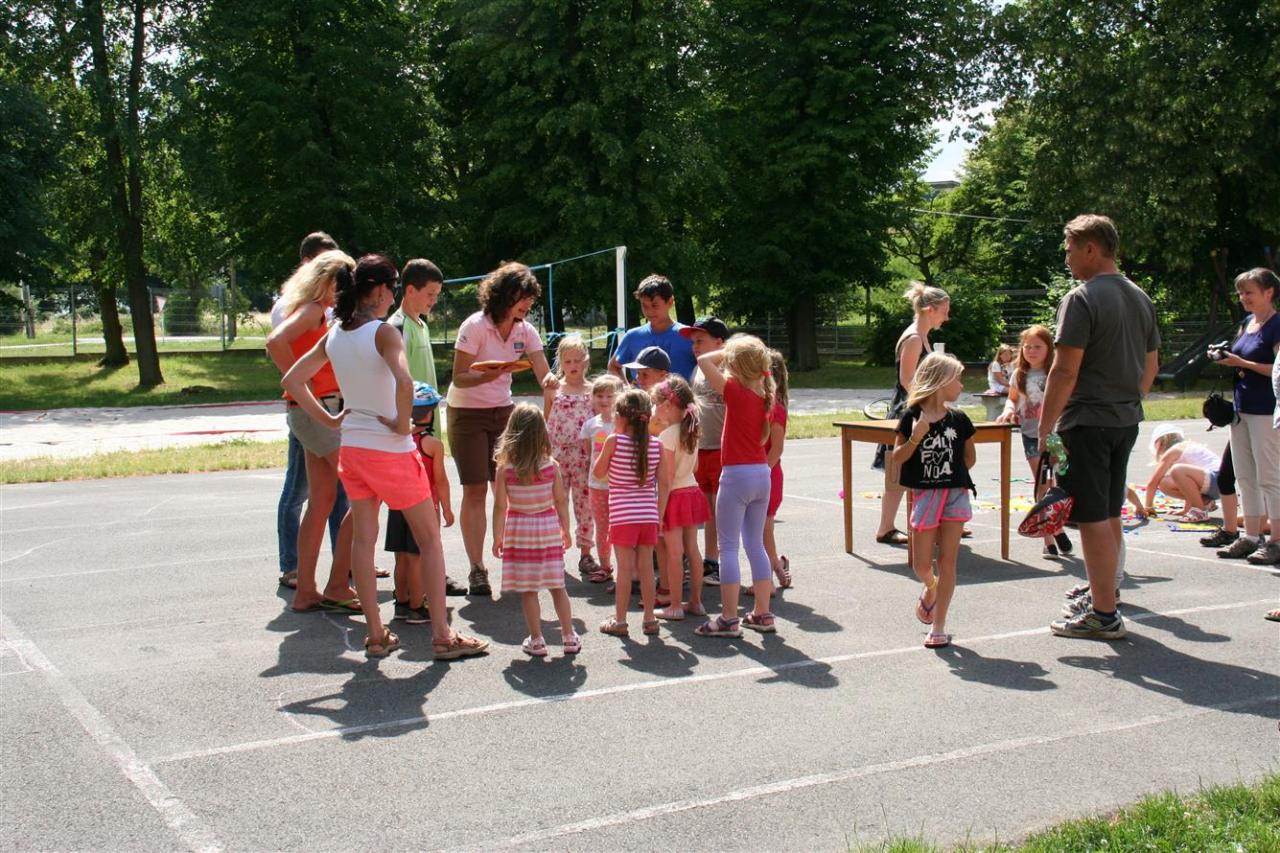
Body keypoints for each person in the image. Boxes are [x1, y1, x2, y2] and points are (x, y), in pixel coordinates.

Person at [281, 254, 489, 660]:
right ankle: (442, 636)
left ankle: (376, 635)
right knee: (429, 540)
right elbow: (405, 381)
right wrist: (399, 423)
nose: (393, 296)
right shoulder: (383, 333)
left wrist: (328, 417)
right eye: (392, 288)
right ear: (378, 290)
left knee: (363, 540)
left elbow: (292, 379)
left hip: (354, 448)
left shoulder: (336, 333)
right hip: (390, 450)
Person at [1039, 214, 1160, 641]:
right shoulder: (1140, 296)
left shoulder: (1081, 298)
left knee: (1091, 518)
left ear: (1091, 248)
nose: (1067, 258)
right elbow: (1151, 367)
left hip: (1087, 422)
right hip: (1124, 420)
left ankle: (1103, 614)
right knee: (1108, 512)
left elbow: (1064, 370)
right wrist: (1125, 399)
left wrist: (1045, 427)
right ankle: (1106, 594)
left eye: (1070, 249)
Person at [446, 262, 558, 597]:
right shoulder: (475, 326)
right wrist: (488, 375)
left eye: (530, 299)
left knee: (508, 487)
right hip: (466, 413)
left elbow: (542, 370)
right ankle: (477, 568)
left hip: (503, 413)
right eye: (522, 297)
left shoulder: (526, 330)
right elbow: (458, 377)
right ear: (504, 294)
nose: (527, 304)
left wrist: (550, 381)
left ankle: (515, 559)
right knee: (475, 490)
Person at [266, 249, 359, 613]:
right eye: (344, 282)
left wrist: (302, 391)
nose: (346, 290)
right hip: (319, 409)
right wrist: (301, 386)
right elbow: (275, 342)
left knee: (322, 500)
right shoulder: (313, 310)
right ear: (327, 280)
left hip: (313, 410)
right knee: (361, 493)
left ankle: (307, 590)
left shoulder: (313, 309)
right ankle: (337, 585)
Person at [692, 335, 777, 638]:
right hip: (761, 475)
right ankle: (763, 613)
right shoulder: (765, 394)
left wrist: (725, 350)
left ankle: (729, 618)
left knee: (728, 547)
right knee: (754, 544)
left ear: (735, 365)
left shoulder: (735, 391)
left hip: (736, 476)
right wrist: (741, 353)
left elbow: (703, 361)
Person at [892, 353, 975, 649]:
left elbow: (969, 458)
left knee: (948, 561)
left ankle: (938, 627)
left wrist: (950, 476)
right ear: (941, 381)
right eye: (958, 379)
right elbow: (897, 458)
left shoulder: (959, 419)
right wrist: (916, 436)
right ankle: (931, 587)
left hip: (954, 494)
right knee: (921, 565)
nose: (962, 385)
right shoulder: (911, 416)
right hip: (925, 496)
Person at [492, 404, 579, 657]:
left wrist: (497, 536)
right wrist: (566, 529)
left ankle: (537, 639)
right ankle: (568, 636)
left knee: (528, 589)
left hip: (520, 531)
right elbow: (561, 501)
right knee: (557, 585)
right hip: (547, 528)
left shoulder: (506, 469)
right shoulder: (551, 466)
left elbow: (500, 506)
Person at [874, 282, 952, 546]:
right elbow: (907, 380)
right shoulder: (914, 338)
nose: (946, 317)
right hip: (908, 411)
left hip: (919, 409)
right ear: (930, 310)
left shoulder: (922, 336)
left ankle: (933, 522)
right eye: (944, 311)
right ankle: (886, 528)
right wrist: (928, 406)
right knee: (898, 470)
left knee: (926, 467)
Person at [1213, 268, 1280, 565]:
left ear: (1269, 292)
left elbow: (1277, 369)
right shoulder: (1246, 323)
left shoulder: (1277, 325)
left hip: (1266, 409)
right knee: (1245, 475)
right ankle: (1252, 536)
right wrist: (1224, 357)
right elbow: (1240, 356)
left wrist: (1242, 362)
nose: (1243, 298)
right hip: (1241, 410)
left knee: (1270, 476)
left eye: (1249, 292)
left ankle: (1276, 540)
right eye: (1240, 292)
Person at [594, 388, 669, 637]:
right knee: (647, 569)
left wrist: (605, 449)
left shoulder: (614, 441)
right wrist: (659, 515)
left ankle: (620, 620)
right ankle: (649, 619)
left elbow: (598, 473)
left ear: (621, 417)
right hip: (648, 515)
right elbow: (664, 483)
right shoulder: (656, 445)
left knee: (625, 569)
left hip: (622, 515)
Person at [996, 325, 1074, 559]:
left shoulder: (1055, 373)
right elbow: (1012, 399)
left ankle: (1056, 526)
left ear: (1049, 348)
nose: (1031, 351)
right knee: (1042, 484)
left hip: (1056, 435)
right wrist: (1008, 410)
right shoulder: (1019, 374)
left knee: (1057, 482)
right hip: (1031, 436)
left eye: (1037, 347)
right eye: (1027, 346)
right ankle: (1049, 538)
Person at [386, 383, 456, 623]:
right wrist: (447, 508)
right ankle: (417, 605)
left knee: (401, 556)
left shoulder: (397, 440)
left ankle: (402, 602)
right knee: (417, 556)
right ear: (430, 413)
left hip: (397, 504)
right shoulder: (433, 444)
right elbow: (440, 480)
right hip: (422, 505)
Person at [651, 376, 708, 621]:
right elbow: (694, 467)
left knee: (675, 553)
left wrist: (659, 512)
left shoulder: (667, 436)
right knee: (693, 550)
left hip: (674, 496)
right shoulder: (692, 429)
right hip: (692, 492)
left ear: (667, 405)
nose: (654, 409)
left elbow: (666, 479)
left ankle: (675, 605)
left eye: (656, 404)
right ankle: (696, 601)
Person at [543, 334, 598, 576]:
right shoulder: (553, 389)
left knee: (585, 505)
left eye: (577, 360)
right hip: (558, 457)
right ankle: (556, 551)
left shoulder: (593, 391)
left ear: (586, 360)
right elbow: (546, 420)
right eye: (567, 361)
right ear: (560, 362)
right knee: (557, 503)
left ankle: (586, 552)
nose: (573, 365)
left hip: (584, 458)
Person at [681, 317, 730, 584]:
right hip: (701, 449)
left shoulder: (730, 369)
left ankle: (721, 560)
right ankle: (710, 560)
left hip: (723, 449)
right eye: (693, 342)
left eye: (700, 341)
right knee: (707, 509)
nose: (695, 347)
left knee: (722, 510)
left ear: (719, 343)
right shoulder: (697, 371)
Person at [609, 274, 697, 381]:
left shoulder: (688, 335)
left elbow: (705, 366)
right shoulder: (632, 337)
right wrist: (626, 389)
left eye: (655, 305)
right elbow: (613, 366)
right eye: (644, 306)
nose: (649, 311)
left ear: (670, 302)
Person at [579, 374, 622, 583]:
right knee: (602, 528)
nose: (604, 400)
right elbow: (589, 454)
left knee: (621, 527)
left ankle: (627, 568)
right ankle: (605, 566)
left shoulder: (622, 425)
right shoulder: (589, 425)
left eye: (609, 396)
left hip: (620, 486)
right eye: (599, 395)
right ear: (592, 397)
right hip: (597, 486)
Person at [1141, 425, 1222, 522]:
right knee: (1167, 482)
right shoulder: (1187, 447)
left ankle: (1199, 511)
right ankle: (1204, 502)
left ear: (1160, 444)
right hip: (1220, 484)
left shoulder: (1173, 451)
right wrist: (1185, 511)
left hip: (1215, 479)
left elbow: (1153, 482)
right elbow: (1189, 484)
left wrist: (1148, 507)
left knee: (1174, 473)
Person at [762, 348, 793, 590]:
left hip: (768, 475)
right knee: (760, 530)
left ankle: (773, 575)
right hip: (761, 473)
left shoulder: (776, 408)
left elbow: (777, 449)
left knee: (763, 529)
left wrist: (761, 471)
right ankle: (777, 565)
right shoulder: (762, 404)